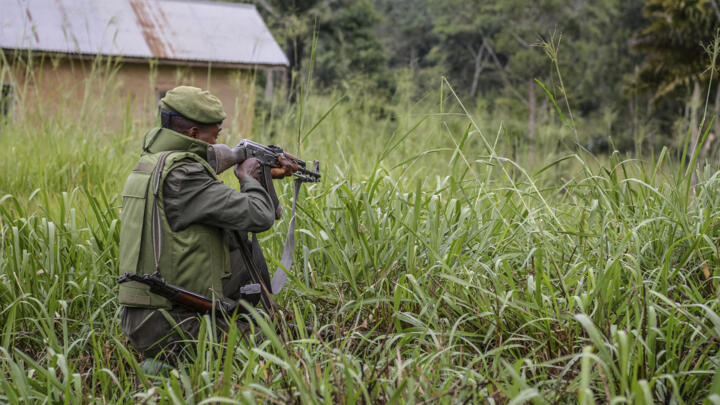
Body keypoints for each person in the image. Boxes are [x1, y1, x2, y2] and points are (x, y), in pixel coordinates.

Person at [117, 86, 297, 364]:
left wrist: (261, 172)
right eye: (214, 136)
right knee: (276, 343)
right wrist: (249, 176)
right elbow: (260, 217)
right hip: (171, 324)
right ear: (192, 135)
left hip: (149, 315)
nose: (216, 143)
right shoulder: (184, 176)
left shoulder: (151, 164)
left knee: (229, 241)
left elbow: (209, 164)